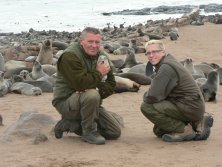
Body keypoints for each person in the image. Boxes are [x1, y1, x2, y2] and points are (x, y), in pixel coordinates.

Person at [52, 27, 121, 145]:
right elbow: (80, 84)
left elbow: (111, 83)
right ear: (81, 41)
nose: (94, 45)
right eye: (90, 42)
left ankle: (70, 124)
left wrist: (95, 89)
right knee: (91, 95)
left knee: (114, 132)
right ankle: (89, 132)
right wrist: (99, 73)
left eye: (97, 42)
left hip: (90, 101)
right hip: (66, 102)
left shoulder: (102, 56)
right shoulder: (70, 56)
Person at [140, 39, 214, 142]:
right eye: (148, 53)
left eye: (154, 52)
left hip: (190, 107)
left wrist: (145, 95)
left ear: (163, 52)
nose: (151, 55)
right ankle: (197, 122)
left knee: (146, 107)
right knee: (159, 131)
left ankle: (184, 130)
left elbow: (152, 97)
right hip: (192, 105)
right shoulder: (169, 61)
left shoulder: (166, 67)